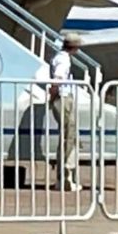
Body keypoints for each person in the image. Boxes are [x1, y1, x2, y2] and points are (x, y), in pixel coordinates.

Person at [40, 33, 87, 191]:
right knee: (69, 136)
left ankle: (65, 176)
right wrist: (53, 96)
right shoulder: (64, 59)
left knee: (68, 137)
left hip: (62, 97)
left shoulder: (60, 57)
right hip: (63, 97)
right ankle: (65, 177)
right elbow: (58, 79)